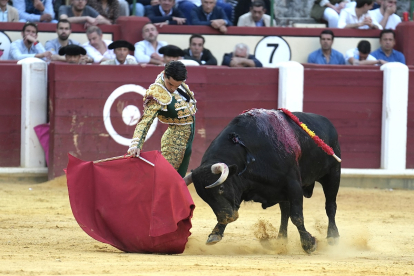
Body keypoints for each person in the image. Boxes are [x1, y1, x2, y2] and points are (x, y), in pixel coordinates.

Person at [128, 61, 197, 178]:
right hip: (174, 142)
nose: (172, 88)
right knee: (165, 178)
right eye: (170, 84)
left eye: (177, 86)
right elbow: (145, 121)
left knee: (179, 178)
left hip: (187, 140)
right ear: (165, 75)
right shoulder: (157, 93)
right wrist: (136, 144)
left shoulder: (175, 79)